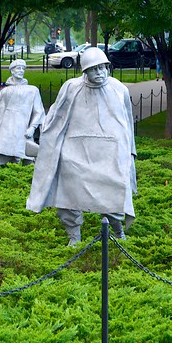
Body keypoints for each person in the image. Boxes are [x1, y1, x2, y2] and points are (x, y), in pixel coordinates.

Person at [26, 47, 136, 246]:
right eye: (94, 69)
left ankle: (118, 233)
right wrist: (45, 140)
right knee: (67, 197)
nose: (100, 73)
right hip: (75, 152)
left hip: (109, 153)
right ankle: (74, 236)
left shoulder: (119, 89)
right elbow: (55, 117)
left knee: (114, 195)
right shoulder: (71, 87)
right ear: (85, 71)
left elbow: (128, 125)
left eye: (103, 68)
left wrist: (130, 153)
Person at [0, 60, 45, 166]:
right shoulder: (5, 91)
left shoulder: (32, 90)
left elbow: (39, 112)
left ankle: (20, 172)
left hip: (22, 129)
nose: (21, 71)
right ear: (12, 71)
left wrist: (32, 128)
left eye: (23, 69)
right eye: (18, 68)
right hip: (5, 129)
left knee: (24, 154)